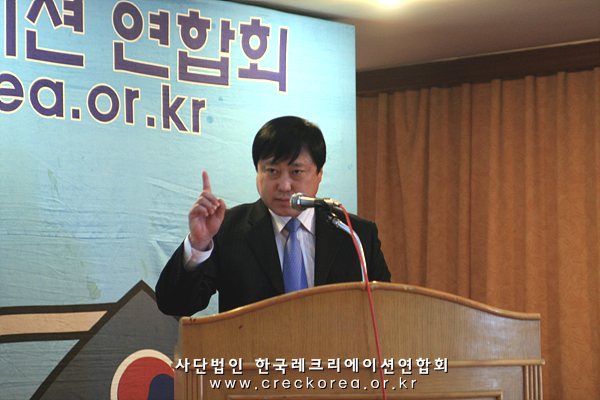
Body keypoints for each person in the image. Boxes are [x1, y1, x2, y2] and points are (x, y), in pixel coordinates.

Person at [155, 116, 391, 316]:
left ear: (319, 174)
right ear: (257, 173)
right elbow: (174, 305)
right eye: (272, 171)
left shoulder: (355, 234)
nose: (284, 185)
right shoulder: (227, 229)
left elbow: (385, 311)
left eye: (296, 171)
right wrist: (198, 244)